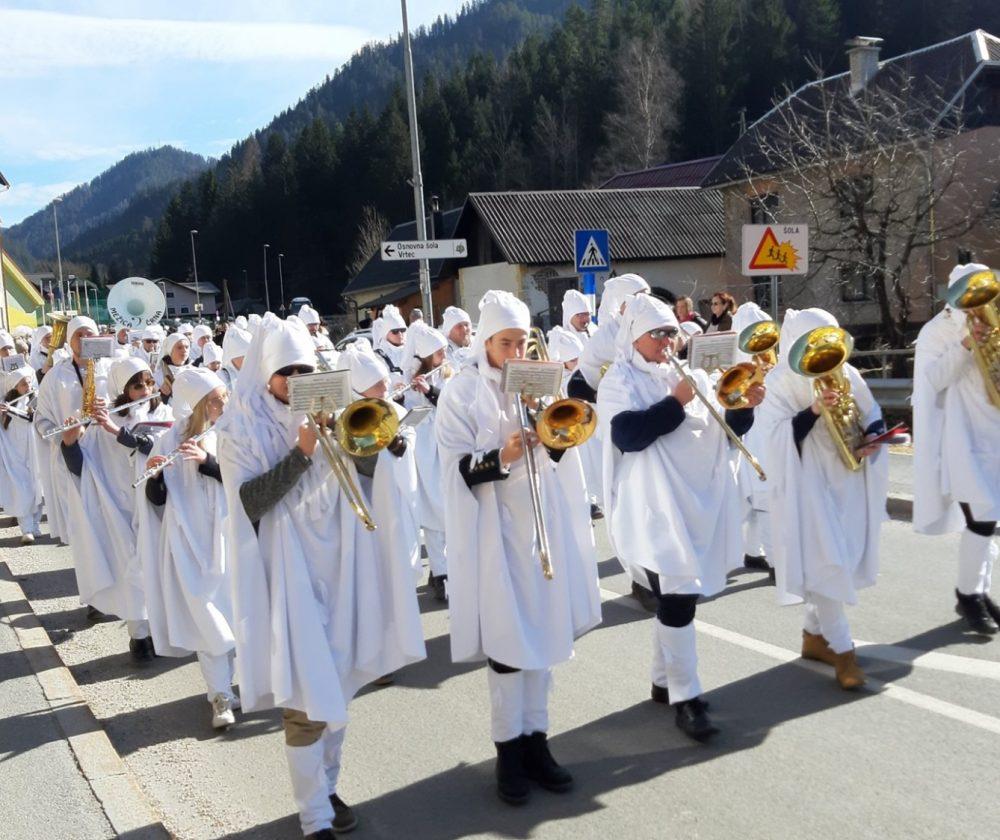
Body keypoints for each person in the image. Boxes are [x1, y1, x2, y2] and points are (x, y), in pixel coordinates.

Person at [217, 315, 425, 838]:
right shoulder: (239, 426)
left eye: (304, 371)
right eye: (285, 372)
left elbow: (368, 479)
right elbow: (249, 503)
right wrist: (303, 452)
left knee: (339, 684)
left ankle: (326, 788)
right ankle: (314, 817)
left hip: (341, 564)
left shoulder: (333, 411)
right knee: (306, 699)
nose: (295, 380)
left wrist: (371, 444)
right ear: (266, 374)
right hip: (286, 574)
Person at [436, 290, 601, 806]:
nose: (514, 352)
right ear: (485, 341)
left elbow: (563, 450)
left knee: (544, 634)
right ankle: (508, 750)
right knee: (508, 644)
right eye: (504, 342)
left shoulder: (538, 380)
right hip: (494, 531)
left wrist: (547, 424)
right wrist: (500, 456)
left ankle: (537, 741)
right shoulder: (461, 391)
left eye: (521, 342)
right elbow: (453, 470)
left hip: (540, 522)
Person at [599, 294, 762, 741]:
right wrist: (675, 402)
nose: (667, 342)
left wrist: (744, 406)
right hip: (653, 503)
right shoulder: (619, 379)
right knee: (678, 596)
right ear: (635, 337)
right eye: (657, 334)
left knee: (678, 593)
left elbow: (725, 432)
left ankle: (662, 680)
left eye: (672, 332)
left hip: (694, 499)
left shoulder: (693, 375)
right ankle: (686, 697)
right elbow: (628, 435)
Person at [759, 308, 888, 690]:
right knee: (826, 560)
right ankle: (844, 653)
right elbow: (774, 440)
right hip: (807, 482)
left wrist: (873, 436)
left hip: (846, 477)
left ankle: (814, 636)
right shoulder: (779, 380)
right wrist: (814, 410)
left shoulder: (845, 370)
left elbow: (871, 410)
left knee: (838, 558)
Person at [138, 367, 238, 728]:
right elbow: (156, 500)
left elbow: (247, 482)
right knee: (207, 620)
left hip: (229, 538)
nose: (225, 404)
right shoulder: (170, 440)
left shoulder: (233, 432)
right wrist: (155, 476)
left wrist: (208, 463)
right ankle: (220, 696)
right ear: (199, 405)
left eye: (224, 397)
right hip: (188, 542)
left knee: (232, 614)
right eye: (217, 400)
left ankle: (230, 683)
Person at [59, 355, 170, 660]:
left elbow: (156, 446)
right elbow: (83, 469)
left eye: (149, 383)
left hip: (157, 504)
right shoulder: (104, 423)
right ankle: (140, 636)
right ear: (123, 390)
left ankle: (161, 630)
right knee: (129, 570)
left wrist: (117, 432)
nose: (146, 391)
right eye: (137, 386)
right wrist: (70, 440)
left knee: (157, 569)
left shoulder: (164, 414)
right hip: (119, 508)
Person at [913, 263, 1000, 634]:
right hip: (961, 438)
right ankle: (968, 596)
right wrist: (966, 345)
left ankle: (979, 591)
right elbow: (932, 380)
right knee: (981, 519)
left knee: (990, 521)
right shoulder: (937, 330)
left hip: (994, 432)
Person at [33, 315, 107, 547]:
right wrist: (63, 437)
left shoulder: (113, 369)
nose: (84, 339)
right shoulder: (55, 376)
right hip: (71, 456)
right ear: (69, 340)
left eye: (89, 334)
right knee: (81, 526)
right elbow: (41, 418)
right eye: (78, 334)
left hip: (109, 454)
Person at [400, 320, 452, 600]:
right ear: (425, 357)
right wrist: (402, 397)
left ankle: (450, 567)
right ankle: (440, 572)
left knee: (449, 509)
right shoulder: (408, 377)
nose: (444, 356)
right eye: (439, 353)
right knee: (431, 513)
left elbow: (452, 404)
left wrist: (430, 391)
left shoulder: (448, 373)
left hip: (445, 444)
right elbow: (405, 417)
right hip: (422, 449)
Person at [731, 302, 776, 580]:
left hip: (768, 436)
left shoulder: (772, 362)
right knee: (761, 498)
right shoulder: (734, 368)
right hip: (749, 438)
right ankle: (776, 563)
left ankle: (752, 550)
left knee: (760, 501)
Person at [547, 325, 603, 519]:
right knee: (580, 467)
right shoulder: (558, 380)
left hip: (587, 428)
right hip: (568, 431)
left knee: (595, 463)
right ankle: (587, 502)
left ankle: (596, 498)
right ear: (562, 363)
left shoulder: (582, 375)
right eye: (572, 360)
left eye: (579, 358)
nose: (578, 363)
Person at [575, 274, 651, 395]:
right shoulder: (606, 335)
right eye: (640, 297)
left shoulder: (647, 326)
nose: (647, 303)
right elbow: (587, 371)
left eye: (648, 297)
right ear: (624, 302)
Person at [0, 366, 43, 544]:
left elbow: (32, 418)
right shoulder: (6, 401)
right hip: (15, 454)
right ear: (15, 386)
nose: (28, 387)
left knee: (37, 488)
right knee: (21, 489)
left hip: (34, 451)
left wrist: (11, 410)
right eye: (24, 384)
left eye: (29, 383)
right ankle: (26, 529)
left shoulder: (35, 399)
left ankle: (35, 525)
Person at [372, 304, 407, 390]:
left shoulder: (412, 351)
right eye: (395, 331)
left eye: (402, 330)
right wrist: (394, 389)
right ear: (385, 333)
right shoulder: (378, 356)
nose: (400, 334)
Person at [155, 333, 191, 404]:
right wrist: (162, 394)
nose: (184, 350)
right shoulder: (158, 376)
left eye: (186, 347)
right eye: (179, 347)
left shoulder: (195, 371)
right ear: (170, 350)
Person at [219, 323, 251, 392]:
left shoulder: (254, 374)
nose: (249, 360)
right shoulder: (222, 378)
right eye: (244, 356)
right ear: (231, 358)